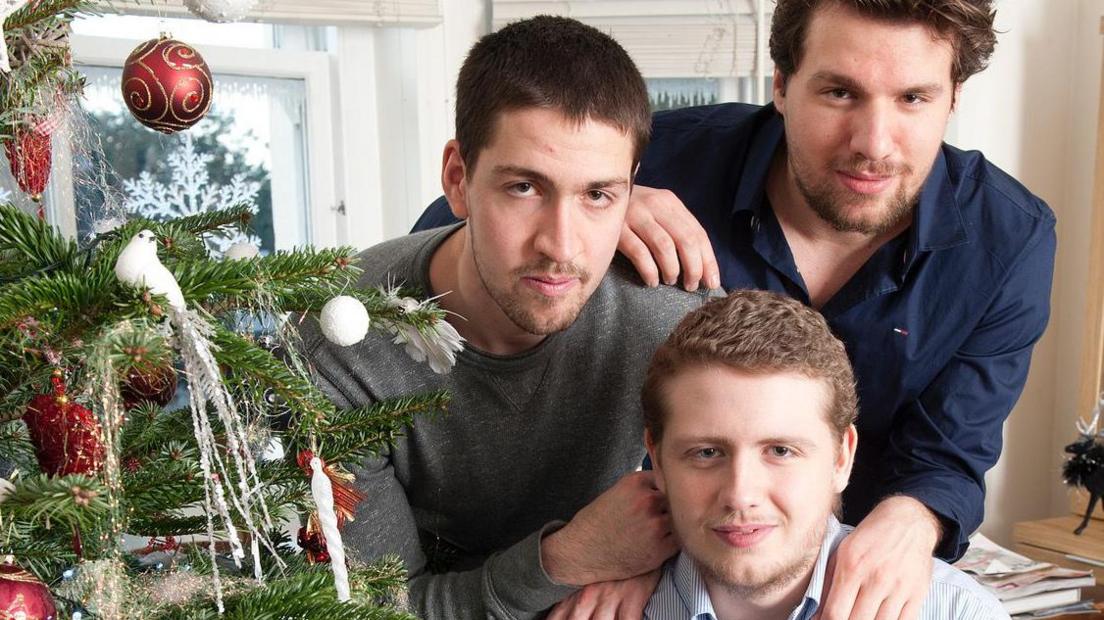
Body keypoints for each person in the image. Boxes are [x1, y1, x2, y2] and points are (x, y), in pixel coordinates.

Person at [412, 1, 1055, 617]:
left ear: (953, 98)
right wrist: (594, 212)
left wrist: (911, 522)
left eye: (914, 98)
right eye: (839, 93)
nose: (873, 143)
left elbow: (950, 449)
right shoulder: (664, 160)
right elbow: (458, 248)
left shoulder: (1009, 240)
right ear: (781, 83)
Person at [299, 16, 713, 619]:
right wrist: (567, 560)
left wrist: (658, 567)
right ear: (458, 180)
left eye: (597, 194)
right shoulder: (341, 343)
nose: (562, 246)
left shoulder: (668, 315)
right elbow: (377, 610)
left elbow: (776, 507)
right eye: (524, 187)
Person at [640, 290, 1008, 620]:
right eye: (706, 453)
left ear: (841, 458)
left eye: (781, 451)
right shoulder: (593, 606)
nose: (740, 494)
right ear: (656, 460)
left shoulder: (960, 613)